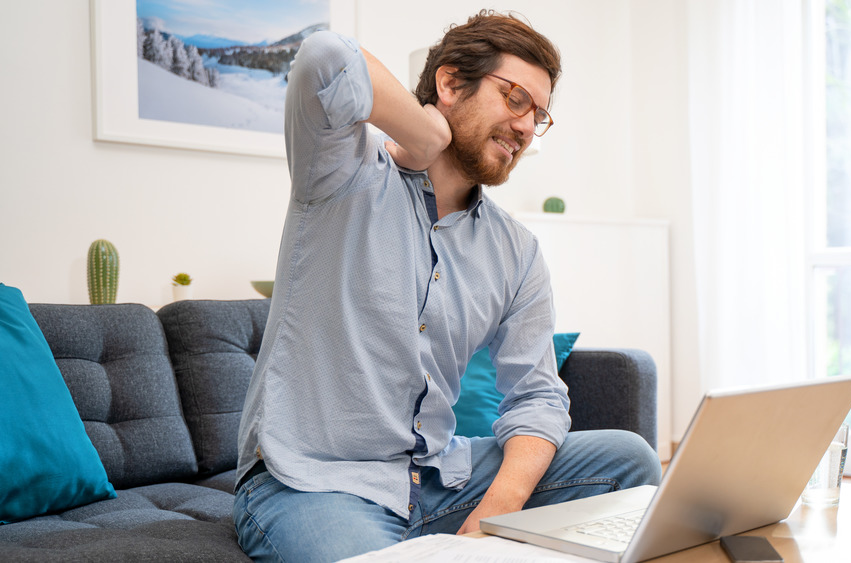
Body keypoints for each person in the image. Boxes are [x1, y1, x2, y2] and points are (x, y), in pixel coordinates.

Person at [233, 10, 661, 561]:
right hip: (315, 484)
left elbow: (536, 396)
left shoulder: (517, 251)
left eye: (541, 115)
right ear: (450, 82)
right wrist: (427, 133)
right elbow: (325, 58)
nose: (529, 127)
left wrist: (495, 514)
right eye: (516, 99)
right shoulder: (340, 172)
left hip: (442, 480)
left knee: (630, 459)